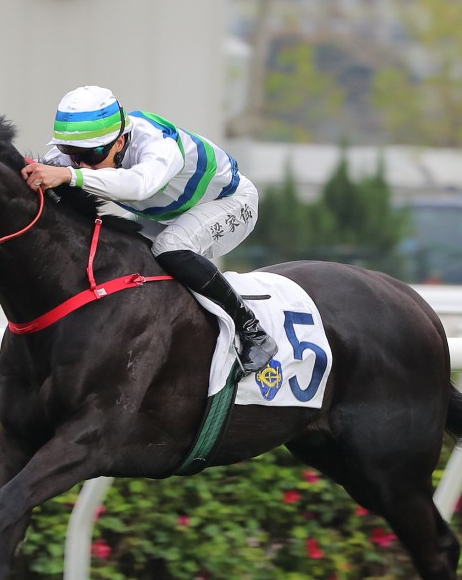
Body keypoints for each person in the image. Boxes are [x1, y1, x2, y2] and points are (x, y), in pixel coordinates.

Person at [22, 86, 278, 372]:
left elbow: (138, 186)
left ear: (120, 142)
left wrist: (69, 175)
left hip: (230, 202)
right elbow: (40, 172)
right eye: (70, 153)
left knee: (170, 248)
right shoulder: (86, 154)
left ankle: (252, 330)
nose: (81, 164)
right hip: (165, 215)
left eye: (91, 155)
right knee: (122, 253)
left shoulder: (157, 145)